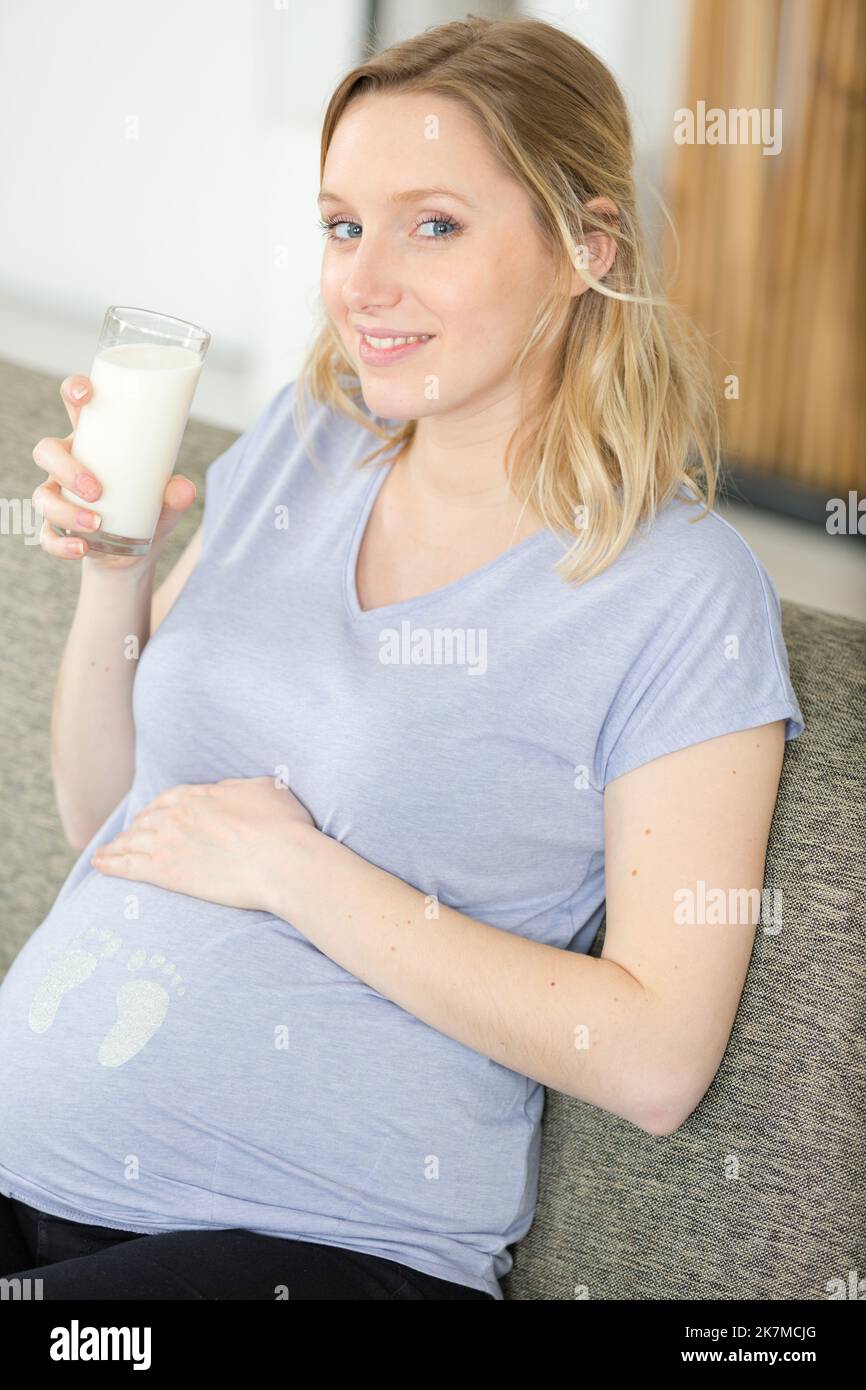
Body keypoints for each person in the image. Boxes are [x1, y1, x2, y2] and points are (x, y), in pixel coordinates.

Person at [1, 15, 804, 1301]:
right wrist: (117, 575)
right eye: (340, 225)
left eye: (431, 225)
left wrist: (292, 869)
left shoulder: (677, 594)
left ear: (582, 249)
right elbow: (117, 819)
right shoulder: (303, 444)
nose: (362, 281)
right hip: (30, 1172)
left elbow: (656, 1056)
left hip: (310, 1248)